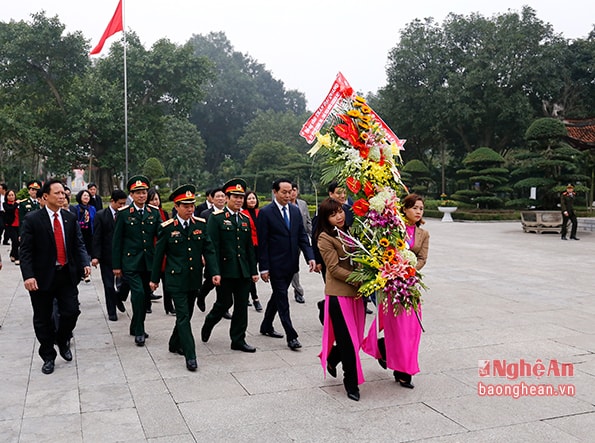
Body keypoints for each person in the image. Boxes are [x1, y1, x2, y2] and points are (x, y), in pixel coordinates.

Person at [19, 179, 91, 374]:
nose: (62, 196)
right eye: (57, 193)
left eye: (63, 193)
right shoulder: (33, 220)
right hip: (41, 278)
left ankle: (62, 339)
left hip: (66, 275)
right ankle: (48, 355)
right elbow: (25, 251)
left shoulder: (69, 218)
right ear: (45, 197)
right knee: (43, 319)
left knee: (71, 312)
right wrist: (28, 276)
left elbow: (78, 244)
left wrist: (85, 262)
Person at [362, 193, 429, 389]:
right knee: (397, 329)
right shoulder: (394, 228)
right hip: (391, 285)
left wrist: (410, 268)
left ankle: (398, 361)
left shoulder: (423, 234)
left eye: (421, 209)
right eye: (414, 207)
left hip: (409, 285)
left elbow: (423, 258)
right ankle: (401, 371)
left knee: (411, 330)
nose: (418, 211)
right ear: (405, 209)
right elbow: (382, 252)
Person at [150, 185, 217, 371]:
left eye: (192, 206)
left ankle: (174, 343)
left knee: (186, 314)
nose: (190, 209)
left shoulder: (200, 225)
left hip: (194, 278)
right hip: (176, 279)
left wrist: (215, 272)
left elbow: (209, 250)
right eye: (186, 206)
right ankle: (190, 355)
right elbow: (158, 256)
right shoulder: (167, 228)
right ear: (176, 207)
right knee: (183, 316)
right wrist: (154, 279)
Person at [257, 178, 316, 351]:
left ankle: (266, 325)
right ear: (274, 192)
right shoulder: (266, 213)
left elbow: (302, 237)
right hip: (275, 265)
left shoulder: (295, 211)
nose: (288, 195)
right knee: (282, 298)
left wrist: (310, 257)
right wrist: (264, 267)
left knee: (278, 295)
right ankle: (292, 336)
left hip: (291, 264)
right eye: (284, 192)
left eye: (290, 192)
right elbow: (263, 243)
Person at [316, 197, 366, 401]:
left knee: (355, 340)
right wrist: (359, 278)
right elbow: (334, 269)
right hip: (339, 295)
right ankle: (350, 383)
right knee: (347, 342)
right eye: (333, 214)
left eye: (340, 211)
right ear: (326, 219)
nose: (339, 216)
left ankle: (333, 356)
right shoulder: (325, 239)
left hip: (357, 294)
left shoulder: (351, 232)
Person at [201, 178, 259, 353]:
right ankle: (209, 322)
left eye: (241, 197)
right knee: (224, 303)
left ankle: (238, 339)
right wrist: (214, 271)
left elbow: (249, 247)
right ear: (227, 198)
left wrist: (253, 271)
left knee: (241, 306)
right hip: (225, 270)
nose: (239, 200)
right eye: (235, 196)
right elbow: (212, 247)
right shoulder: (216, 218)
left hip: (243, 270)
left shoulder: (244, 219)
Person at [112, 175, 160, 347]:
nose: (142, 196)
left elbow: (161, 236)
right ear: (131, 195)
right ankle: (139, 330)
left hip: (148, 262)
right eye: (138, 193)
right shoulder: (124, 214)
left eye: (144, 192)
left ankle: (135, 325)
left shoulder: (153, 212)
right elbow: (117, 241)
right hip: (130, 262)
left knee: (145, 297)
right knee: (138, 294)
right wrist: (116, 266)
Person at [91, 189, 128, 321]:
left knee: (126, 282)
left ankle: (118, 297)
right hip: (107, 256)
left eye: (124, 204)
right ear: (112, 201)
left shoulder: (126, 215)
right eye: (120, 204)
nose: (122, 206)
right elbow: (97, 237)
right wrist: (95, 256)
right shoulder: (101, 215)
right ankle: (112, 311)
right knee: (108, 285)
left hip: (124, 256)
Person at [196, 188, 230, 319]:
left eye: (223, 196)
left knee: (224, 283)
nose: (221, 199)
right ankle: (201, 295)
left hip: (226, 255)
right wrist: (202, 254)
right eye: (218, 197)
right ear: (212, 199)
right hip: (211, 254)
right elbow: (200, 235)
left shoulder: (230, 214)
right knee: (211, 281)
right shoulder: (205, 214)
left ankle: (223, 307)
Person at [147, 188, 170, 313]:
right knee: (150, 280)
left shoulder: (164, 213)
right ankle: (147, 304)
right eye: (152, 200)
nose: (155, 202)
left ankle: (169, 307)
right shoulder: (146, 214)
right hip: (152, 251)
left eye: (156, 199)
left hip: (165, 252)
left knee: (167, 282)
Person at [241, 190, 263, 312]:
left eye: (253, 198)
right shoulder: (242, 214)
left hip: (261, 246)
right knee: (251, 273)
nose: (252, 200)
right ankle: (255, 298)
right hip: (249, 247)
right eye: (249, 199)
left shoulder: (260, 213)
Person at [290, 182, 312, 304]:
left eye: (294, 190)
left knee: (300, 264)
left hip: (302, 239)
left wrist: (312, 236)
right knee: (293, 266)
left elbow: (308, 221)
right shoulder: (285, 206)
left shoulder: (302, 204)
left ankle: (297, 290)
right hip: (289, 240)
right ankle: (297, 289)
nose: (292, 193)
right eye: (290, 190)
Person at [71, 189, 97, 266]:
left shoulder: (92, 208)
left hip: (90, 232)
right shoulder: (76, 208)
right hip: (80, 231)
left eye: (88, 196)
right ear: (80, 197)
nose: (86, 197)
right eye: (84, 195)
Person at [3, 189, 20, 265]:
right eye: (9, 195)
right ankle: (16, 257)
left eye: (12, 195)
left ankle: (12, 254)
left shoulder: (19, 203)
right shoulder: (5, 204)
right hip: (10, 225)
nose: (11, 197)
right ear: (6, 196)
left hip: (18, 224)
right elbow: (10, 210)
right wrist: (16, 204)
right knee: (15, 240)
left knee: (18, 242)